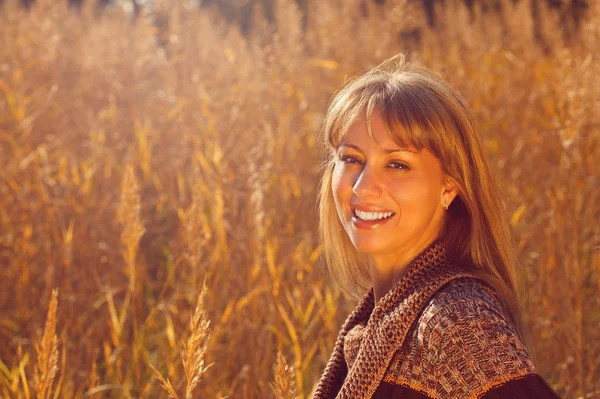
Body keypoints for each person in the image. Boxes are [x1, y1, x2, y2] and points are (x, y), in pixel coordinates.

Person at [313, 55, 561, 398]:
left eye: (397, 164)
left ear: (448, 186)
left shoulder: (457, 321)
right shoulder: (373, 323)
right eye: (352, 159)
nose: (362, 188)